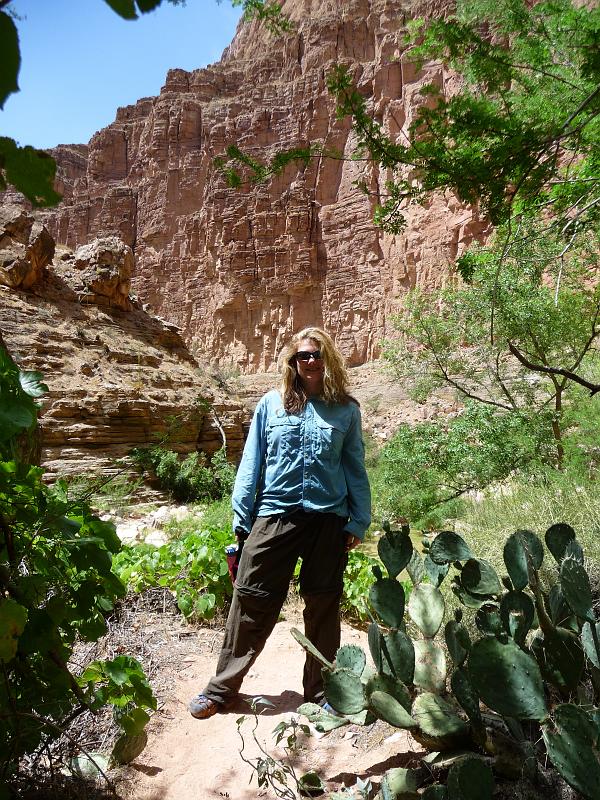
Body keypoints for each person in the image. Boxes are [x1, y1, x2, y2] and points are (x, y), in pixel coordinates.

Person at [189, 327, 371, 719]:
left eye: (317, 355)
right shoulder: (271, 405)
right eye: (302, 356)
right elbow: (251, 463)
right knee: (252, 596)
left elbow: (354, 467)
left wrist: (358, 521)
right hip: (276, 513)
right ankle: (221, 689)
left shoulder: (346, 410)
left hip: (328, 519)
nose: (310, 361)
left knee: (323, 603)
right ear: (292, 362)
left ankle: (321, 692)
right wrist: (242, 518)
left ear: (329, 360)